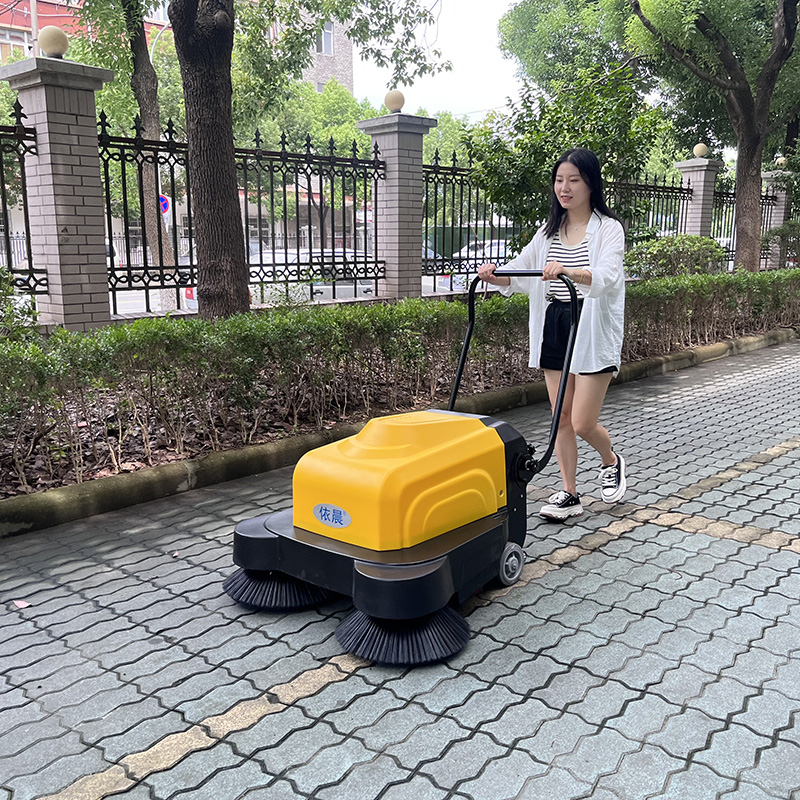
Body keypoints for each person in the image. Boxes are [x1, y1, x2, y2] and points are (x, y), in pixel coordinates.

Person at [478, 147, 626, 521]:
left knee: (582, 422)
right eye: (560, 180)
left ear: (591, 184)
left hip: (590, 324)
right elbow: (521, 270)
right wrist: (496, 274)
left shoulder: (608, 229)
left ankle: (610, 460)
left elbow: (608, 275)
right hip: (555, 322)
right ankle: (569, 493)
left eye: (574, 180)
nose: (565, 188)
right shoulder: (548, 232)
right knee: (560, 417)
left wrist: (569, 272)